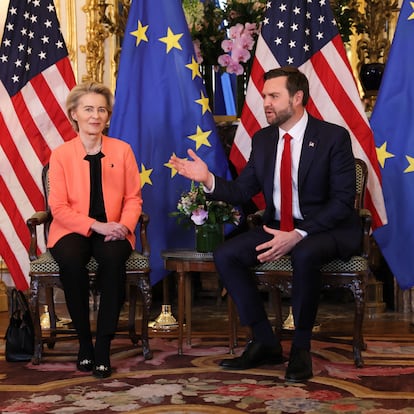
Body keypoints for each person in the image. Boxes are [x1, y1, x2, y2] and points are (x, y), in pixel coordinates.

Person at [169, 66, 361, 382]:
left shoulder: (331, 137)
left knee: (305, 253)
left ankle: (300, 350)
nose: (266, 103)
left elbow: (342, 203)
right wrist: (207, 179)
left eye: (274, 96)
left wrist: (297, 234)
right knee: (226, 255)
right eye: (263, 97)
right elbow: (243, 190)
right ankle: (264, 341)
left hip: (327, 228)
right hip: (278, 225)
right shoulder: (263, 139)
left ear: (298, 98)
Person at [47, 82, 142, 379]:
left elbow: (133, 198)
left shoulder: (123, 150)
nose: (95, 115)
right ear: (74, 114)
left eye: (101, 109)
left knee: (113, 262)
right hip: (71, 228)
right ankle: (84, 344)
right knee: (72, 262)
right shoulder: (61, 154)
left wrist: (124, 226)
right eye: (88, 109)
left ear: (108, 116)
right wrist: (95, 225)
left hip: (115, 227)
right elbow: (58, 207)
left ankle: (103, 345)